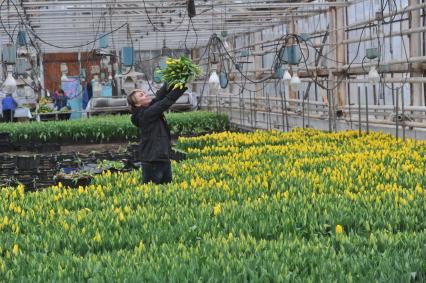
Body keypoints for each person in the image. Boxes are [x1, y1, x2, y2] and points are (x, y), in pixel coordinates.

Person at [127, 83, 187, 184]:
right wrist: (181, 87)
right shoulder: (145, 115)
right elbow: (165, 102)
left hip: (162, 158)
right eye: (141, 95)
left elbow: (159, 96)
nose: (145, 95)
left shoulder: (148, 109)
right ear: (137, 104)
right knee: (152, 193)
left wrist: (172, 81)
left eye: (144, 93)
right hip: (153, 161)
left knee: (166, 192)